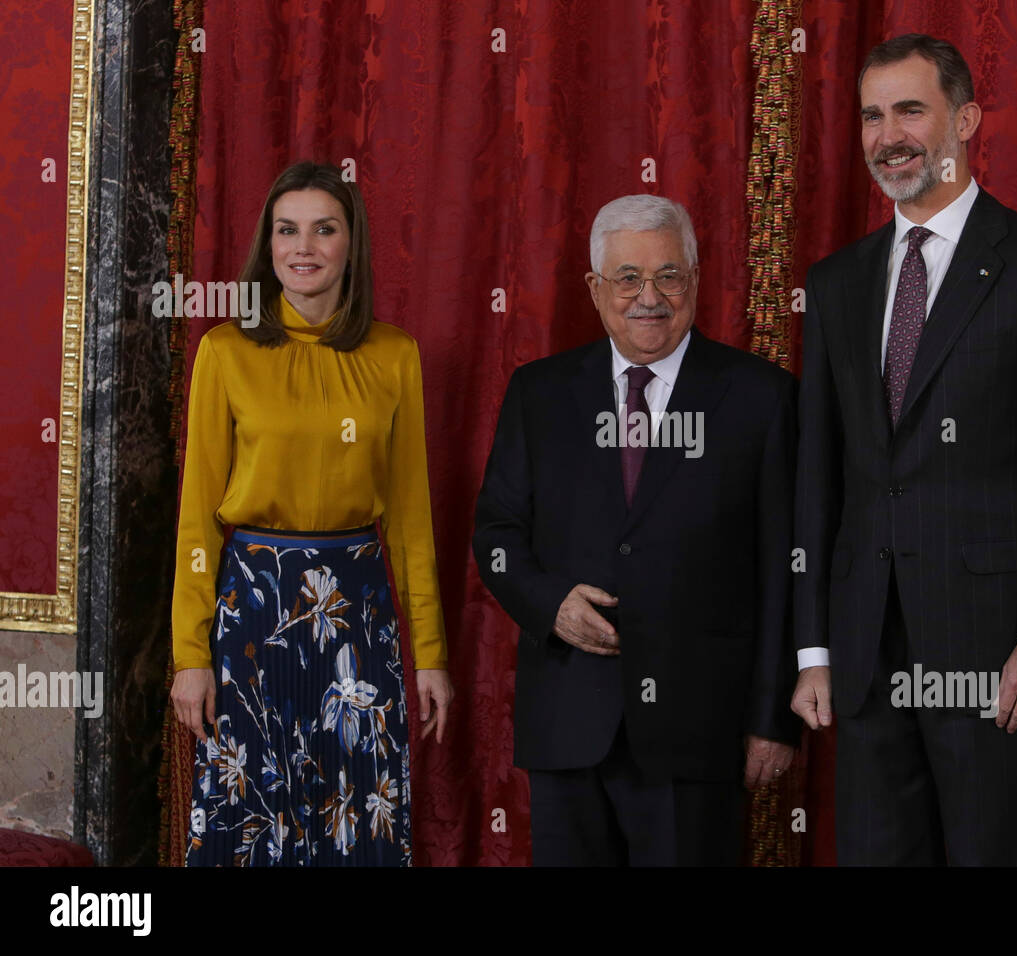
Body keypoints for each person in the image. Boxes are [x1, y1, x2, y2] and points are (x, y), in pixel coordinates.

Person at [790, 34, 1017, 865]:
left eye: (909, 108)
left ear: (965, 119)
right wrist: (815, 649)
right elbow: (818, 476)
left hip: (996, 659)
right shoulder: (836, 284)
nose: (887, 134)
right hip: (865, 660)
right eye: (871, 115)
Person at [473, 194, 801, 866]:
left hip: (700, 732)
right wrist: (551, 604)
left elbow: (785, 569)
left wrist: (772, 719)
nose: (648, 296)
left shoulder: (762, 397)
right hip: (569, 721)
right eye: (627, 278)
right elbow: (497, 534)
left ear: (696, 279)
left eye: (668, 275)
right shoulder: (539, 393)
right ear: (596, 290)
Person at [169, 161, 454, 866]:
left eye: (324, 229)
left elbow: (413, 520)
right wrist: (188, 656)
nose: (304, 247)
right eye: (287, 230)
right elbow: (198, 522)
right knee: (252, 815)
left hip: (357, 615)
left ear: (350, 243)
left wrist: (432, 655)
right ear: (268, 247)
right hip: (252, 615)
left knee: (357, 815)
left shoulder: (394, 356)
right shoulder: (226, 352)